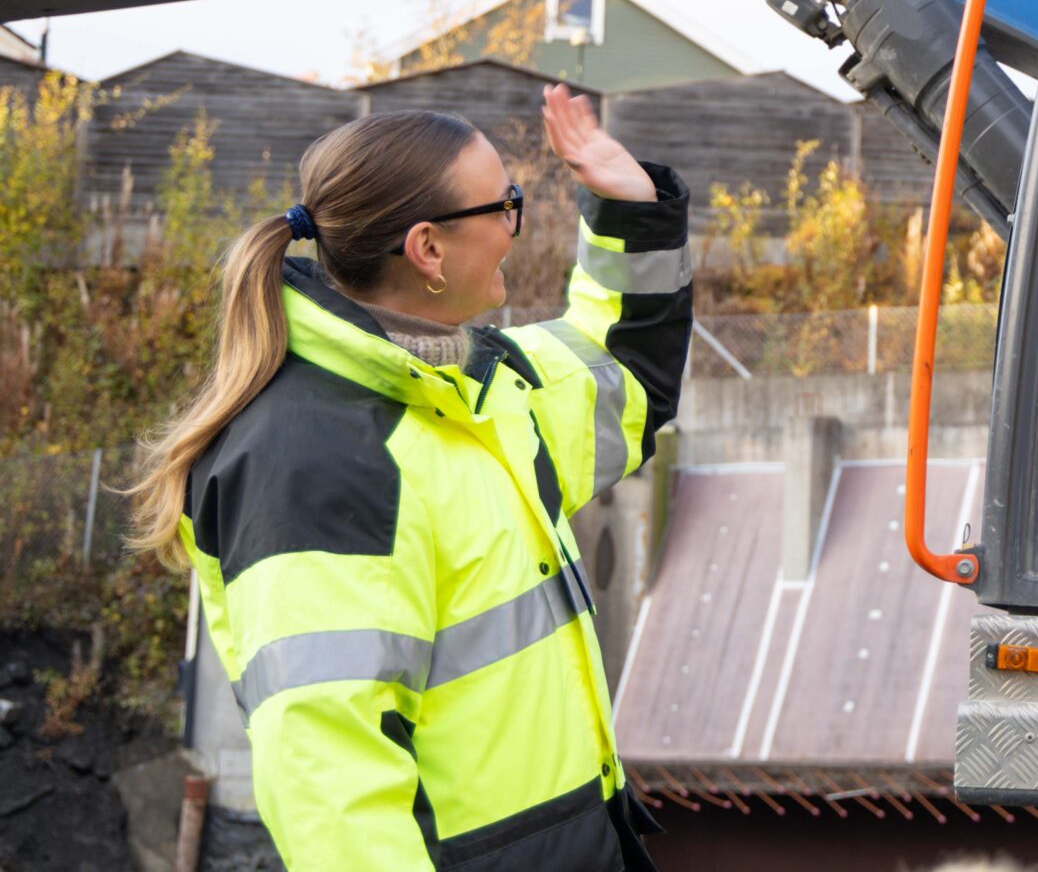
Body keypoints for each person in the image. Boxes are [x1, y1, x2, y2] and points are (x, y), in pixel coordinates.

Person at [127, 85, 691, 871]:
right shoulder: (313, 464)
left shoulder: (479, 389)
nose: (513, 227)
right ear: (427, 248)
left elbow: (625, 376)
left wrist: (631, 209)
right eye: (506, 204)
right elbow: (331, 786)